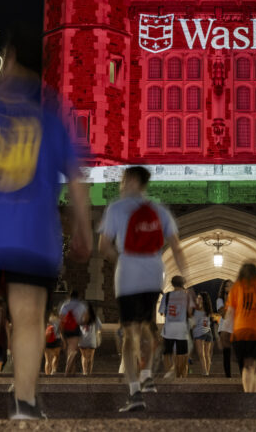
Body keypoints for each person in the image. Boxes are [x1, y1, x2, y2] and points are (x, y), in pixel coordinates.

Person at [0, 24, 92, 420]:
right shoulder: (52, 119)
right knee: (27, 318)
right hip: (32, 233)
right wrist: (83, 231)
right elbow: (77, 182)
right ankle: (23, 403)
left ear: (7, 56)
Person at [98, 165, 187, 413]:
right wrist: (186, 274)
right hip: (153, 273)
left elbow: (103, 246)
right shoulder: (160, 210)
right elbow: (177, 248)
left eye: (124, 179)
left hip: (128, 275)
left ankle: (135, 391)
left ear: (132, 180)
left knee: (129, 333)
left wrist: (122, 261)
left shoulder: (116, 208)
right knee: (147, 326)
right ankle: (147, 374)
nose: (121, 184)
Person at [226, 262, 256, 393]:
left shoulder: (236, 289)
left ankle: (248, 392)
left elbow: (230, 313)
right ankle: (254, 390)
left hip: (240, 331)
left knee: (247, 366)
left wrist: (225, 332)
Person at [159, 276, 194, 378]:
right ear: (183, 283)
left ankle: (169, 372)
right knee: (181, 354)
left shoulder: (167, 296)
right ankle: (179, 374)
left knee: (167, 353)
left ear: (172, 283)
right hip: (182, 329)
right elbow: (190, 313)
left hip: (169, 329)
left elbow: (162, 313)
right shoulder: (187, 296)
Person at [60, 290, 87, 376]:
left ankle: (73, 371)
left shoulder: (65, 305)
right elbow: (85, 319)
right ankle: (67, 371)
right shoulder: (81, 305)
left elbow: (61, 319)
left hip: (66, 329)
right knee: (73, 351)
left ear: (70, 296)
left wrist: (61, 332)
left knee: (69, 350)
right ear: (78, 296)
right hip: (75, 328)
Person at [192, 292, 214, 376]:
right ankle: (206, 372)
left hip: (199, 333)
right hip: (208, 332)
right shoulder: (208, 310)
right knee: (206, 354)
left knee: (202, 354)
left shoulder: (197, 310)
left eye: (199, 298)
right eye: (197, 298)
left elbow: (193, 324)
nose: (197, 299)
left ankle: (205, 372)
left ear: (203, 300)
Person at [217, 279, 236, 378]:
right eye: (227, 285)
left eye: (231, 285)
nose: (229, 287)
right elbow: (223, 315)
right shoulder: (220, 300)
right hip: (224, 329)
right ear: (224, 288)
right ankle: (228, 376)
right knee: (227, 353)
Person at [78, 302, 102, 376]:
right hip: (92, 340)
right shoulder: (95, 318)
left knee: (84, 356)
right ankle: (90, 372)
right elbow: (99, 328)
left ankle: (85, 372)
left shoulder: (80, 317)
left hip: (82, 340)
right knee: (91, 357)